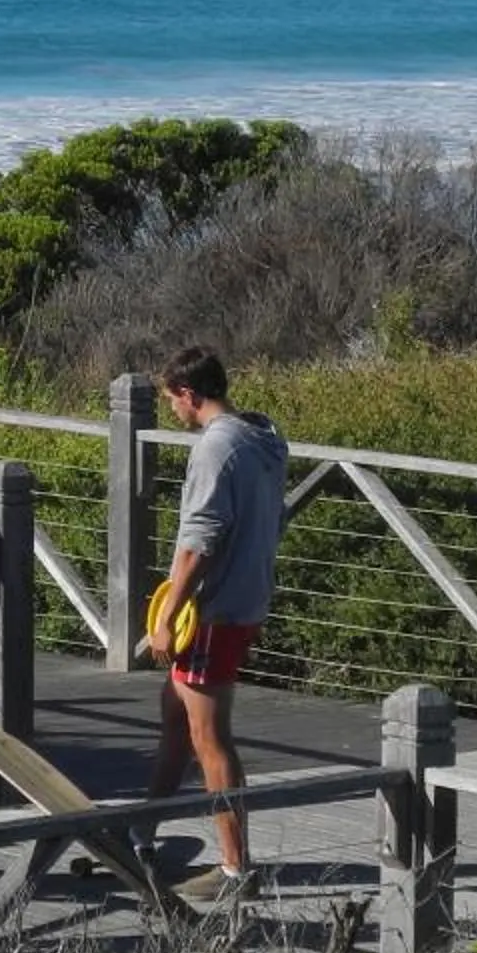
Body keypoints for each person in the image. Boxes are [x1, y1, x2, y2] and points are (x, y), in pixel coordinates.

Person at [143, 345, 288, 899]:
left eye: (171, 402)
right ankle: (141, 836)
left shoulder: (214, 449)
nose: (173, 414)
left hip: (212, 611)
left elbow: (197, 544)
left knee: (210, 738)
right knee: (175, 716)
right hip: (246, 598)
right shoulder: (263, 439)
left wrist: (168, 615)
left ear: (189, 394)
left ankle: (234, 870)